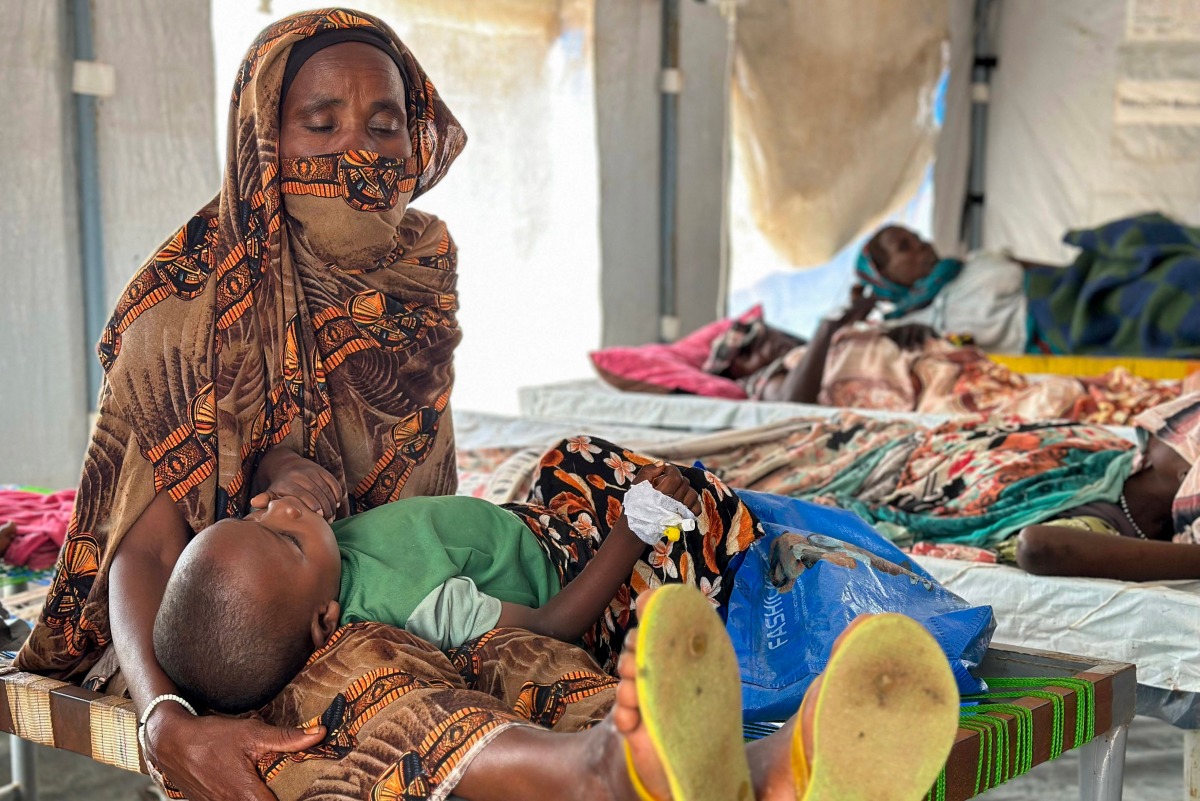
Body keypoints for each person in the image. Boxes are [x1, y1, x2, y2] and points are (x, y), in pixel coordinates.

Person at [152, 461, 704, 713]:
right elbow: (554, 626)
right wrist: (631, 534)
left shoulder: (312, 572)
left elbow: (282, 505)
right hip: (565, 564)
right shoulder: (418, 605)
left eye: (257, 518)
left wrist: (279, 468)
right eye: (287, 540)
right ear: (326, 621)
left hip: (517, 524)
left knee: (569, 456)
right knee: (691, 523)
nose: (284, 508)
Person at [643, 393, 1200, 582]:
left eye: (1167, 431)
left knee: (738, 491)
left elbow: (1040, 546)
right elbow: (986, 435)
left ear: (1180, 472)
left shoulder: (1111, 530)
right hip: (898, 451)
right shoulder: (1103, 455)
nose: (1147, 429)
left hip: (904, 488)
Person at [856, 215, 1200, 358]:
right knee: (1174, 287)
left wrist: (1101, 269)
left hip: (1069, 291)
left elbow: (1046, 271)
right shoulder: (907, 329)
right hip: (1057, 330)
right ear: (885, 276)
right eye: (905, 248)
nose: (922, 245)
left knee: (1145, 241)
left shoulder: (972, 261)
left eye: (917, 238)